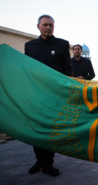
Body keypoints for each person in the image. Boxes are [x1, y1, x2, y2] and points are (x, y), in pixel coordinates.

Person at [25, 14, 72, 177]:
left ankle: (48, 163)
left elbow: (68, 70)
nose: (48, 27)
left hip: (55, 95)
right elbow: (27, 70)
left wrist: (67, 91)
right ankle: (39, 160)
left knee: (50, 128)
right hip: (36, 95)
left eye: (51, 25)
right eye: (45, 25)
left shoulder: (62, 44)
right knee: (36, 128)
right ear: (38, 26)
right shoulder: (29, 46)